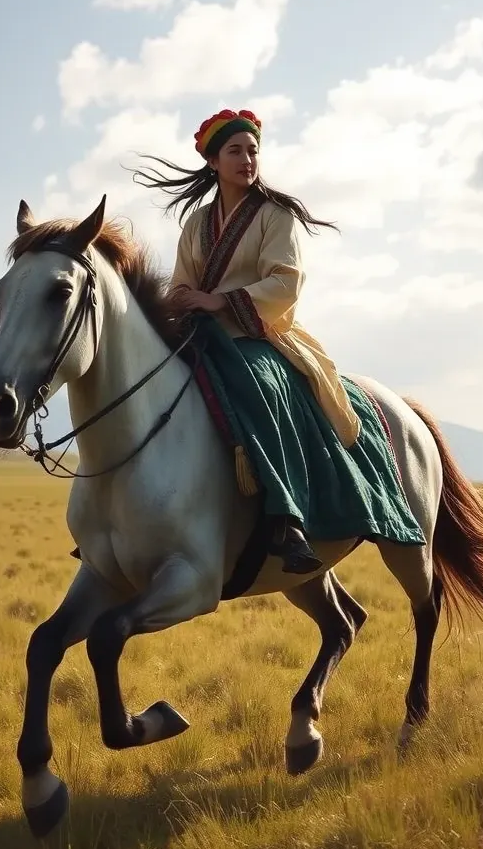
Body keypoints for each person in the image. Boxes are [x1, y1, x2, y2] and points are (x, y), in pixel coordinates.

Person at [131, 108, 425, 574]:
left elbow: (286, 282)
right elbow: (182, 285)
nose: (247, 159)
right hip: (201, 335)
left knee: (259, 384)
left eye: (253, 151)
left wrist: (219, 301)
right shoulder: (197, 223)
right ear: (213, 161)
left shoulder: (276, 215)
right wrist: (184, 300)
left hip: (261, 334)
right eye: (235, 151)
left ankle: (286, 515)